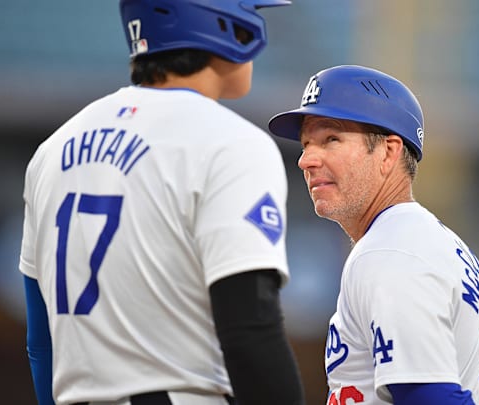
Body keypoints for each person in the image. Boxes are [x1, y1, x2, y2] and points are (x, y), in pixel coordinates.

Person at [19, 1, 305, 404]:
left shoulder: (52, 149)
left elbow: (41, 340)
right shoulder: (232, 142)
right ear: (221, 24)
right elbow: (250, 330)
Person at [267, 65, 479, 405]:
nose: (306, 160)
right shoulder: (429, 241)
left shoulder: (391, 253)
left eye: (331, 139)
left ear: (389, 152)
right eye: (306, 144)